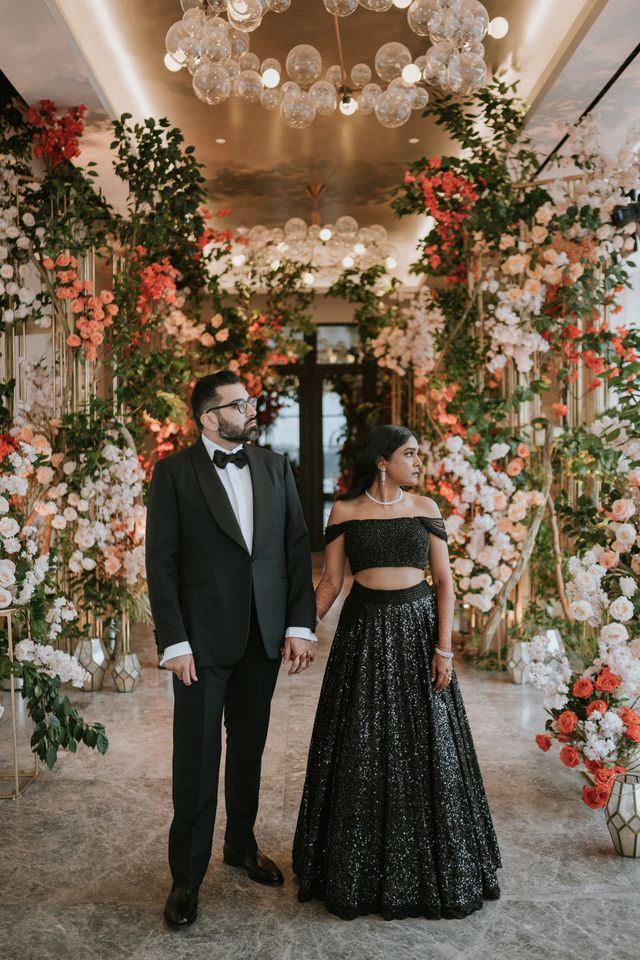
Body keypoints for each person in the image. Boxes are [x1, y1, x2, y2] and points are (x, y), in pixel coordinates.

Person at [293, 425, 501, 920]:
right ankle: (355, 870)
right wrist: (300, 629)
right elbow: (332, 582)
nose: (419, 462)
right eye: (411, 454)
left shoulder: (426, 509)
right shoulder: (344, 511)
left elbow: (445, 583)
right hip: (362, 633)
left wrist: (444, 649)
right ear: (383, 461)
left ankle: (432, 866)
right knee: (360, 748)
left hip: (417, 630)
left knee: (427, 746)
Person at [146, 371, 316, 929]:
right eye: (238, 404)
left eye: (250, 401)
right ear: (208, 417)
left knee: (249, 749)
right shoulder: (173, 473)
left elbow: (294, 551)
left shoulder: (273, 466)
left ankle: (241, 846)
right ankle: (186, 878)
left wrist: (299, 626)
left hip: (263, 636)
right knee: (196, 756)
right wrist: (173, 641)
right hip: (199, 641)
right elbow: (162, 563)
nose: (250, 410)